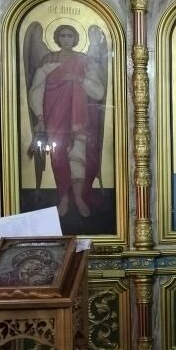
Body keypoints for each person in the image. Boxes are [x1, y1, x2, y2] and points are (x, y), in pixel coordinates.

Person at [28, 24, 107, 218]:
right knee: (57, 157)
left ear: (75, 39)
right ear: (57, 38)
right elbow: (37, 89)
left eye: (69, 36)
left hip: (79, 117)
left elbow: (98, 92)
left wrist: (78, 79)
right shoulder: (48, 60)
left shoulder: (85, 61)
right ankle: (63, 198)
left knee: (78, 156)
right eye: (62, 35)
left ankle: (79, 198)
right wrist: (40, 117)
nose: (66, 39)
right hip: (54, 116)